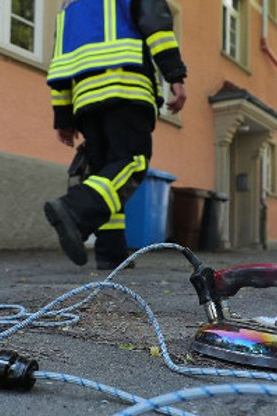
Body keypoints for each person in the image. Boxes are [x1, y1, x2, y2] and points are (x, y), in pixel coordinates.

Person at [43, 0, 187, 269]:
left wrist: (63, 116)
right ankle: (75, 209)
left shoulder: (68, 5)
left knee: (105, 174)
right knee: (132, 162)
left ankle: (111, 253)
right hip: (126, 87)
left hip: (85, 100)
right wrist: (175, 75)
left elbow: (59, 62)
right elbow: (157, 27)